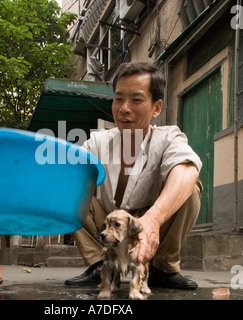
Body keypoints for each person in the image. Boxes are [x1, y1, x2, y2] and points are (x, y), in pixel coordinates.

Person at [65, 62, 203, 289]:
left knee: (190, 187)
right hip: (109, 225)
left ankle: (162, 268)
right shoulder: (98, 142)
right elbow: (69, 171)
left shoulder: (168, 137)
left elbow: (187, 169)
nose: (124, 108)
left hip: (152, 224)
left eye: (136, 100)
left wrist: (153, 220)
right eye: (118, 99)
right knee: (70, 189)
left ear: (156, 108)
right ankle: (102, 266)